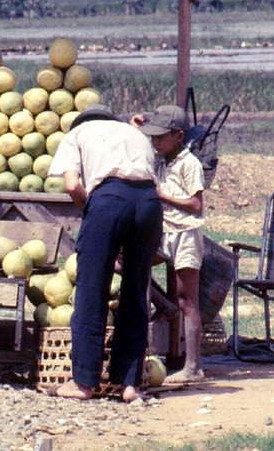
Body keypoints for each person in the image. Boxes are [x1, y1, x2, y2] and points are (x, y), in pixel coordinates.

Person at [47, 104, 162, 402]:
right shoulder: (132, 133)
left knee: (92, 289)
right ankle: (128, 384)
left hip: (109, 198)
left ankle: (83, 382)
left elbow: (73, 186)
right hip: (149, 203)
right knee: (136, 290)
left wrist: (97, 212)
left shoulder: (77, 134)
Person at [132, 104, 206, 383]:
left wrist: (162, 196)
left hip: (185, 233)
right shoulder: (162, 159)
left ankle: (193, 367)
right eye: (153, 137)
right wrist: (137, 124)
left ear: (178, 136)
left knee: (188, 300)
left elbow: (196, 205)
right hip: (164, 233)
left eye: (161, 137)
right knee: (126, 264)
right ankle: (164, 305)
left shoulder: (190, 164)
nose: (155, 142)